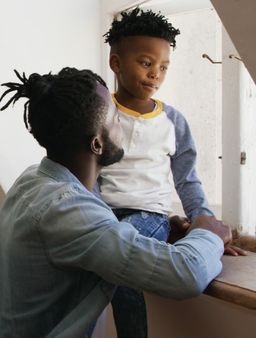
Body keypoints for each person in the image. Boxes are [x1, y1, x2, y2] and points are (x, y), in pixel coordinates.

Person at [0, 67, 231, 337]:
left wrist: (159, 227)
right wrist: (210, 233)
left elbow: (98, 227)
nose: (123, 123)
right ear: (97, 145)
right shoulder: (63, 208)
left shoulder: (35, 180)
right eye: (116, 118)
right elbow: (186, 274)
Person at [100, 8, 244, 338]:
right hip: (102, 214)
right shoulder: (100, 111)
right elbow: (88, 173)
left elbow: (187, 178)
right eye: (146, 63)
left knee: (124, 258)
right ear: (116, 63)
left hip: (147, 215)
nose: (155, 74)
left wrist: (206, 226)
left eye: (163, 67)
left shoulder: (173, 122)